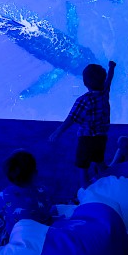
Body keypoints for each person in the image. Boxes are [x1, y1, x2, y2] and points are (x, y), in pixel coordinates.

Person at [49, 61, 116, 189]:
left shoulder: (83, 100)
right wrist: (111, 68)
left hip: (86, 139)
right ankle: (107, 181)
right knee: (99, 158)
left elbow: (71, 118)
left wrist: (58, 131)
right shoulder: (105, 92)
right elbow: (109, 79)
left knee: (83, 166)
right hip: (102, 136)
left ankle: (84, 189)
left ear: (85, 83)